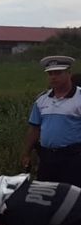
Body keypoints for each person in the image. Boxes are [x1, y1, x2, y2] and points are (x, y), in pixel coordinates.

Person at [21, 55, 81, 187]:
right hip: (47, 157)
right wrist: (26, 153)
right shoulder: (42, 99)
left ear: (69, 73)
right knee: (46, 192)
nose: (53, 77)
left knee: (72, 193)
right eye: (50, 74)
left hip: (73, 157)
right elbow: (34, 129)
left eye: (58, 73)